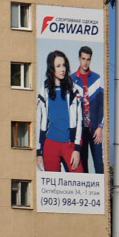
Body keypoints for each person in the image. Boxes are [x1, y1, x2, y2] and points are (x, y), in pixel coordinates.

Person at [36, 50, 83, 173]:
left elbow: (79, 121)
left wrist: (77, 149)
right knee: (53, 187)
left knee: (80, 181)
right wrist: (39, 152)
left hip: (69, 144)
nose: (62, 69)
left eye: (64, 65)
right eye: (58, 66)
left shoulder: (74, 91)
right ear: (52, 69)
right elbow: (40, 121)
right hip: (50, 144)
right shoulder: (44, 91)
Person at [72, 45, 105, 175]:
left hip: (94, 128)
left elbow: (103, 104)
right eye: (83, 59)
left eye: (88, 59)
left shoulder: (97, 79)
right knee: (83, 163)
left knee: (99, 164)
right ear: (79, 59)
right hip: (80, 130)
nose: (85, 62)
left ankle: (101, 193)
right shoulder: (71, 79)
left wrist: (100, 127)